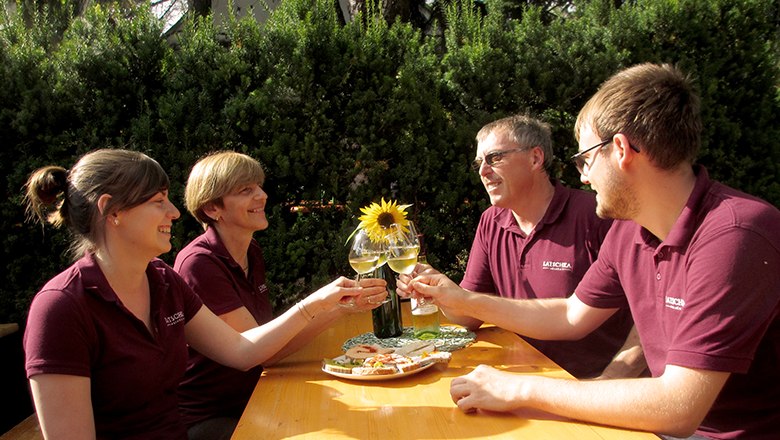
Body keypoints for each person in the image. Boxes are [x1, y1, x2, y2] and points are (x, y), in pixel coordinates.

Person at [403, 63, 780, 439]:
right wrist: (462, 299)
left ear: (620, 149)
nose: (583, 176)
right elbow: (570, 314)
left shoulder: (735, 233)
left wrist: (521, 389)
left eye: (585, 159)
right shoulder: (629, 231)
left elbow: (679, 407)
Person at [21, 149, 387, 439]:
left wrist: (319, 305)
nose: (175, 212)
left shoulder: (163, 281)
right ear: (111, 211)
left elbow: (242, 351)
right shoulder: (61, 308)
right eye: (158, 201)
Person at [174, 151, 378, 439]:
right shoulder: (199, 264)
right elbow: (255, 354)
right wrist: (314, 304)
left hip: (256, 394)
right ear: (211, 208)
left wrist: (341, 309)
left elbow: (270, 347)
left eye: (258, 186)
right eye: (246, 190)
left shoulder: (250, 252)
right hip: (213, 416)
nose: (262, 195)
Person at [428, 114, 644, 379]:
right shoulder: (491, 222)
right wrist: (438, 292)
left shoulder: (597, 216)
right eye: (479, 163)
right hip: (521, 380)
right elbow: (469, 318)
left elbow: (649, 313)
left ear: (535, 158)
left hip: (591, 386)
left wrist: (611, 380)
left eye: (494, 158)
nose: (483, 171)